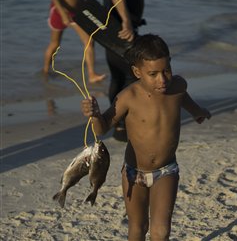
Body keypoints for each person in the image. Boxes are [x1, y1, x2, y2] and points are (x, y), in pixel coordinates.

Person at [81, 34, 211, 241]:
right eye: (153, 74)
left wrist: (199, 112)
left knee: (161, 232)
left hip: (166, 170)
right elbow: (101, 128)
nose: (162, 79)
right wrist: (95, 115)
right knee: (138, 227)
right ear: (137, 72)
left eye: (166, 70)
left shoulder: (177, 87)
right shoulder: (127, 97)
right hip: (134, 173)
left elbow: (186, 101)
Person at [102, 0, 145, 141]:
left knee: (118, 76)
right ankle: (127, 126)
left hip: (109, 27)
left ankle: (118, 128)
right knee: (133, 77)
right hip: (121, 27)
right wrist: (127, 21)